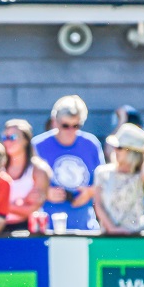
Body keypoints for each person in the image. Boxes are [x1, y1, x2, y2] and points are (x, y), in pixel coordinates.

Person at [33, 95, 105, 231]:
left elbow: (103, 182)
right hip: (46, 228)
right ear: (55, 122)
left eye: (76, 126)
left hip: (85, 226)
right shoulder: (38, 145)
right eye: (65, 125)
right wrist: (45, 193)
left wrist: (89, 192)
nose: (71, 131)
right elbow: (23, 184)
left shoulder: (91, 144)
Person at [92, 123, 144, 234]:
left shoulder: (140, 177)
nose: (114, 150)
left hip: (136, 236)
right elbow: (98, 204)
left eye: (119, 147)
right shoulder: (102, 172)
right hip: (107, 237)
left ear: (132, 152)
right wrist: (113, 229)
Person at [1, 119, 51, 232]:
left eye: (13, 137)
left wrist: (0, 204)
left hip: (27, 229)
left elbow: (31, 209)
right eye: (5, 137)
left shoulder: (39, 170)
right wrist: (18, 204)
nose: (8, 142)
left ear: (26, 140)